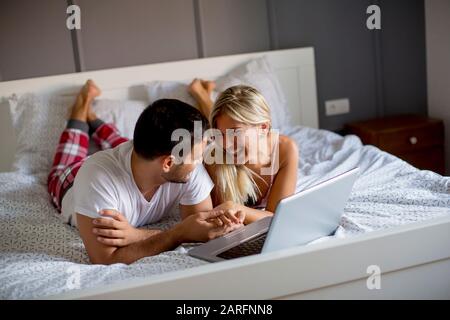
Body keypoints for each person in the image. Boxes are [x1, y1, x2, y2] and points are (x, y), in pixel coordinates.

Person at [47, 80, 244, 265]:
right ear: (168, 163)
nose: (201, 161)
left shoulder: (170, 161)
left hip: (134, 159)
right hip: (71, 181)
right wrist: (177, 234)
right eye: (197, 157)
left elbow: (199, 225)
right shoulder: (95, 179)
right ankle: (81, 109)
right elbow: (106, 258)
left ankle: (94, 118)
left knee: (125, 144)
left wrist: (137, 235)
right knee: (68, 158)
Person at [188, 80, 299, 224]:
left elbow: (278, 218)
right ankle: (200, 93)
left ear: (263, 127)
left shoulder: (285, 149)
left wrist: (231, 207)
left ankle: (202, 92)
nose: (226, 145)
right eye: (220, 134)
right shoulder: (214, 161)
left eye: (236, 133)